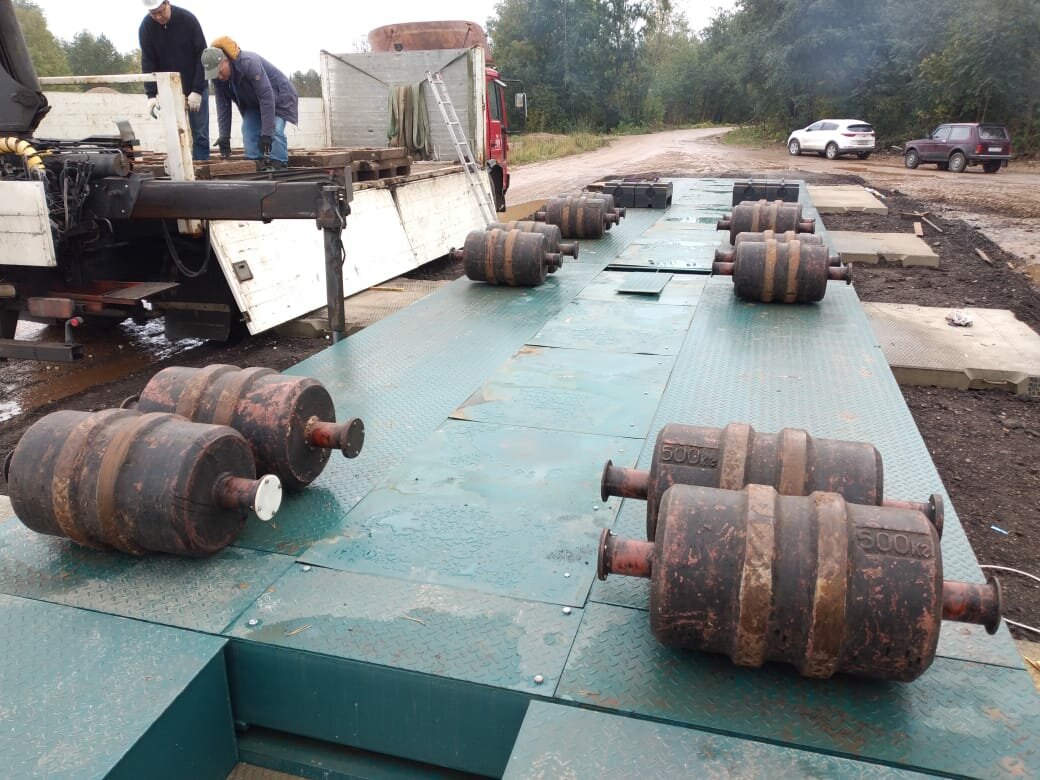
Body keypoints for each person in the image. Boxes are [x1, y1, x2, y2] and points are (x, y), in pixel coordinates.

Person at [202, 37, 298, 169]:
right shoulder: (218, 78)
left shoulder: (249, 63)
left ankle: (279, 165)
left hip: (279, 98)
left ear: (225, 60)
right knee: (248, 130)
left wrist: (266, 133)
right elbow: (223, 106)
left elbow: (266, 97)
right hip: (254, 102)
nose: (219, 77)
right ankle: (256, 164)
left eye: (219, 72)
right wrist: (224, 136)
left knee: (274, 130)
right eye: (214, 74)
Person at [138, 0, 210, 161]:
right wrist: (151, 94)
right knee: (175, 134)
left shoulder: (188, 20)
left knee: (200, 134)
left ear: (167, 3)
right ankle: (180, 170)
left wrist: (197, 90)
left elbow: (202, 55)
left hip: (195, 85)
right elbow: (148, 61)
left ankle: (201, 168)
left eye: (160, 12)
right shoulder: (146, 27)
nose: (158, 17)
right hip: (170, 89)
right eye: (153, 14)